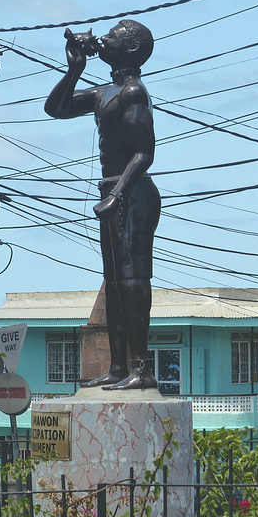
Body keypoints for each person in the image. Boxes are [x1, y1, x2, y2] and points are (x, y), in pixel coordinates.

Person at [44, 20, 160, 390]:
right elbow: (56, 108)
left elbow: (144, 153)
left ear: (128, 49)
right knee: (113, 283)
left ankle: (141, 369)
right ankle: (118, 366)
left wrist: (117, 195)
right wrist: (74, 67)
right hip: (112, 192)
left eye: (112, 35)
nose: (103, 38)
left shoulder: (134, 93)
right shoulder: (105, 92)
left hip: (133, 193)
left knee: (132, 280)